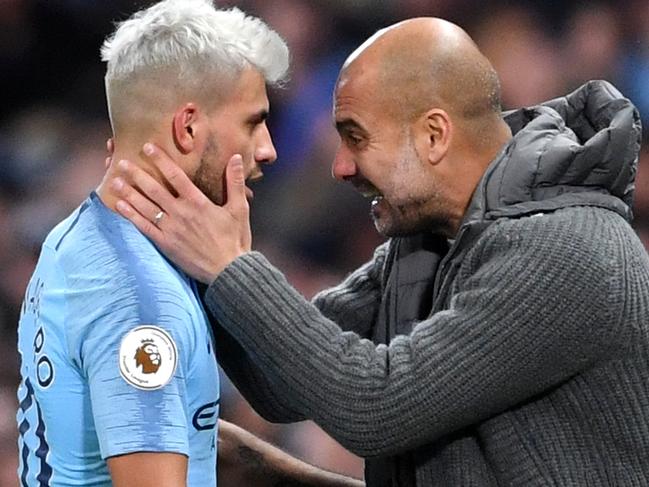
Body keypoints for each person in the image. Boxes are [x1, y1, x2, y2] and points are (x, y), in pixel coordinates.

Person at [111, 17, 648, 487]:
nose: (340, 166)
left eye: (356, 137)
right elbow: (282, 379)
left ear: (434, 135)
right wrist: (196, 244)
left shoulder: (568, 249)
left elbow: (374, 405)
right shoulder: (430, 239)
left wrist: (231, 266)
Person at [16, 0, 364, 486]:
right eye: (253, 122)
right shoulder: (139, 299)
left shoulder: (79, 234)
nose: (268, 148)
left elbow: (181, 433)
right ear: (188, 128)